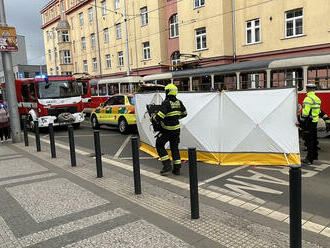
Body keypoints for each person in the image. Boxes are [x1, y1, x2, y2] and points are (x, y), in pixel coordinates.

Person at [153, 83, 187, 175]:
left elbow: (159, 117)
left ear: (167, 92)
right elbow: (185, 113)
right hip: (176, 130)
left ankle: (167, 165)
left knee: (159, 145)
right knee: (174, 148)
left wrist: (154, 116)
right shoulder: (179, 102)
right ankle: (177, 169)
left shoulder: (166, 103)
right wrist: (175, 117)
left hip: (166, 130)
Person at [298, 84, 321, 164]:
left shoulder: (307, 99)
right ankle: (315, 156)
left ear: (307, 89)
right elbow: (318, 111)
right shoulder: (317, 99)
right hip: (315, 121)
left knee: (308, 141)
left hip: (309, 122)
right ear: (314, 90)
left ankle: (309, 159)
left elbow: (305, 113)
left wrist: (301, 121)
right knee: (314, 139)